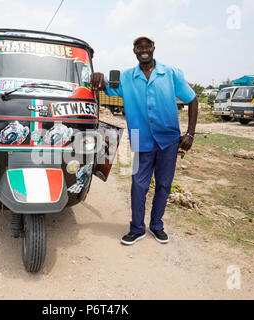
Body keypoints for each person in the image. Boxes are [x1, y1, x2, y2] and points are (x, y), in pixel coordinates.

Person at [90, 35, 198, 245]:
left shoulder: (171, 73)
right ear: (134, 51)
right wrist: (98, 77)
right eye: (139, 47)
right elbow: (105, 86)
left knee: (164, 185)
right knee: (139, 185)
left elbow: (192, 99)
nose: (144, 49)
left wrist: (190, 133)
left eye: (147, 46)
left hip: (169, 139)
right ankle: (137, 228)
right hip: (141, 139)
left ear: (153, 48)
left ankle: (157, 226)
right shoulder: (127, 77)